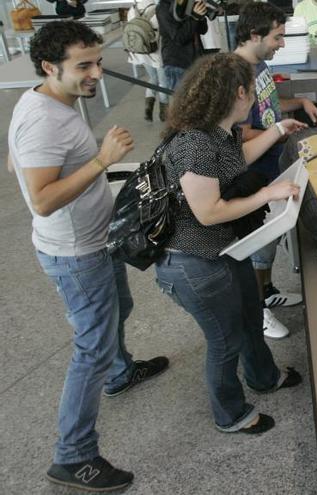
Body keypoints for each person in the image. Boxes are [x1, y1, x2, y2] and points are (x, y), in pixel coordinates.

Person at [9, 21, 169, 492]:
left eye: (98, 61)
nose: (97, 73)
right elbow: (40, 200)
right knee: (91, 347)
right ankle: (72, 455)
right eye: (83, 66)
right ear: (49, 66)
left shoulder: (48, 100)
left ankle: (121, 373)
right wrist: (101, 161)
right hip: (76, 254)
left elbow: (16, 161)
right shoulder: (43, 118)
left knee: (122, 309)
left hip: (95, 242)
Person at [155, 52, 307, 434]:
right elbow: (208, 211)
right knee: (225, 339)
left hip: (224, 248)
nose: (256, 99)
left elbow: (234, 161)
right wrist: (267, 195)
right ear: (240, 92)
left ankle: (262, 376)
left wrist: (278, 130)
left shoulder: (218, 131)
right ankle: (231, 414)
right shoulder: (194, 144)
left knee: (250, 316)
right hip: (192, 261)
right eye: (253, 91)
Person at [234, 1, 317, 338]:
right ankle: (257, 310)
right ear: (255, 35)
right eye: (277, 37)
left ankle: (268, 291)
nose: (282, 44)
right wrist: (279, 131)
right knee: (261, 243)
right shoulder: (238, 74)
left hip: (273, 165)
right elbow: (240, 134)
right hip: (254, 174)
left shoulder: (258, 66)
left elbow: (268, 107)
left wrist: (299, 103)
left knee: (270, 239)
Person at [127, 0, 170, 122]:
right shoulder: (157, 9)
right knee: (163, 82)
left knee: (153, 79)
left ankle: (148, 106)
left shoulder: (132, 10)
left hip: (141, 52)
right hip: (157, 52)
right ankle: (164, 113)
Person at [157, 0, 209, 90]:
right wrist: (194, 17)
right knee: (183, 102)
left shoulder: (187, 3)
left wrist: (201, 14)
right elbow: (179, 38)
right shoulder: (163, 8)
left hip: (196, 60)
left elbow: (203, 30)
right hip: (178, 64)